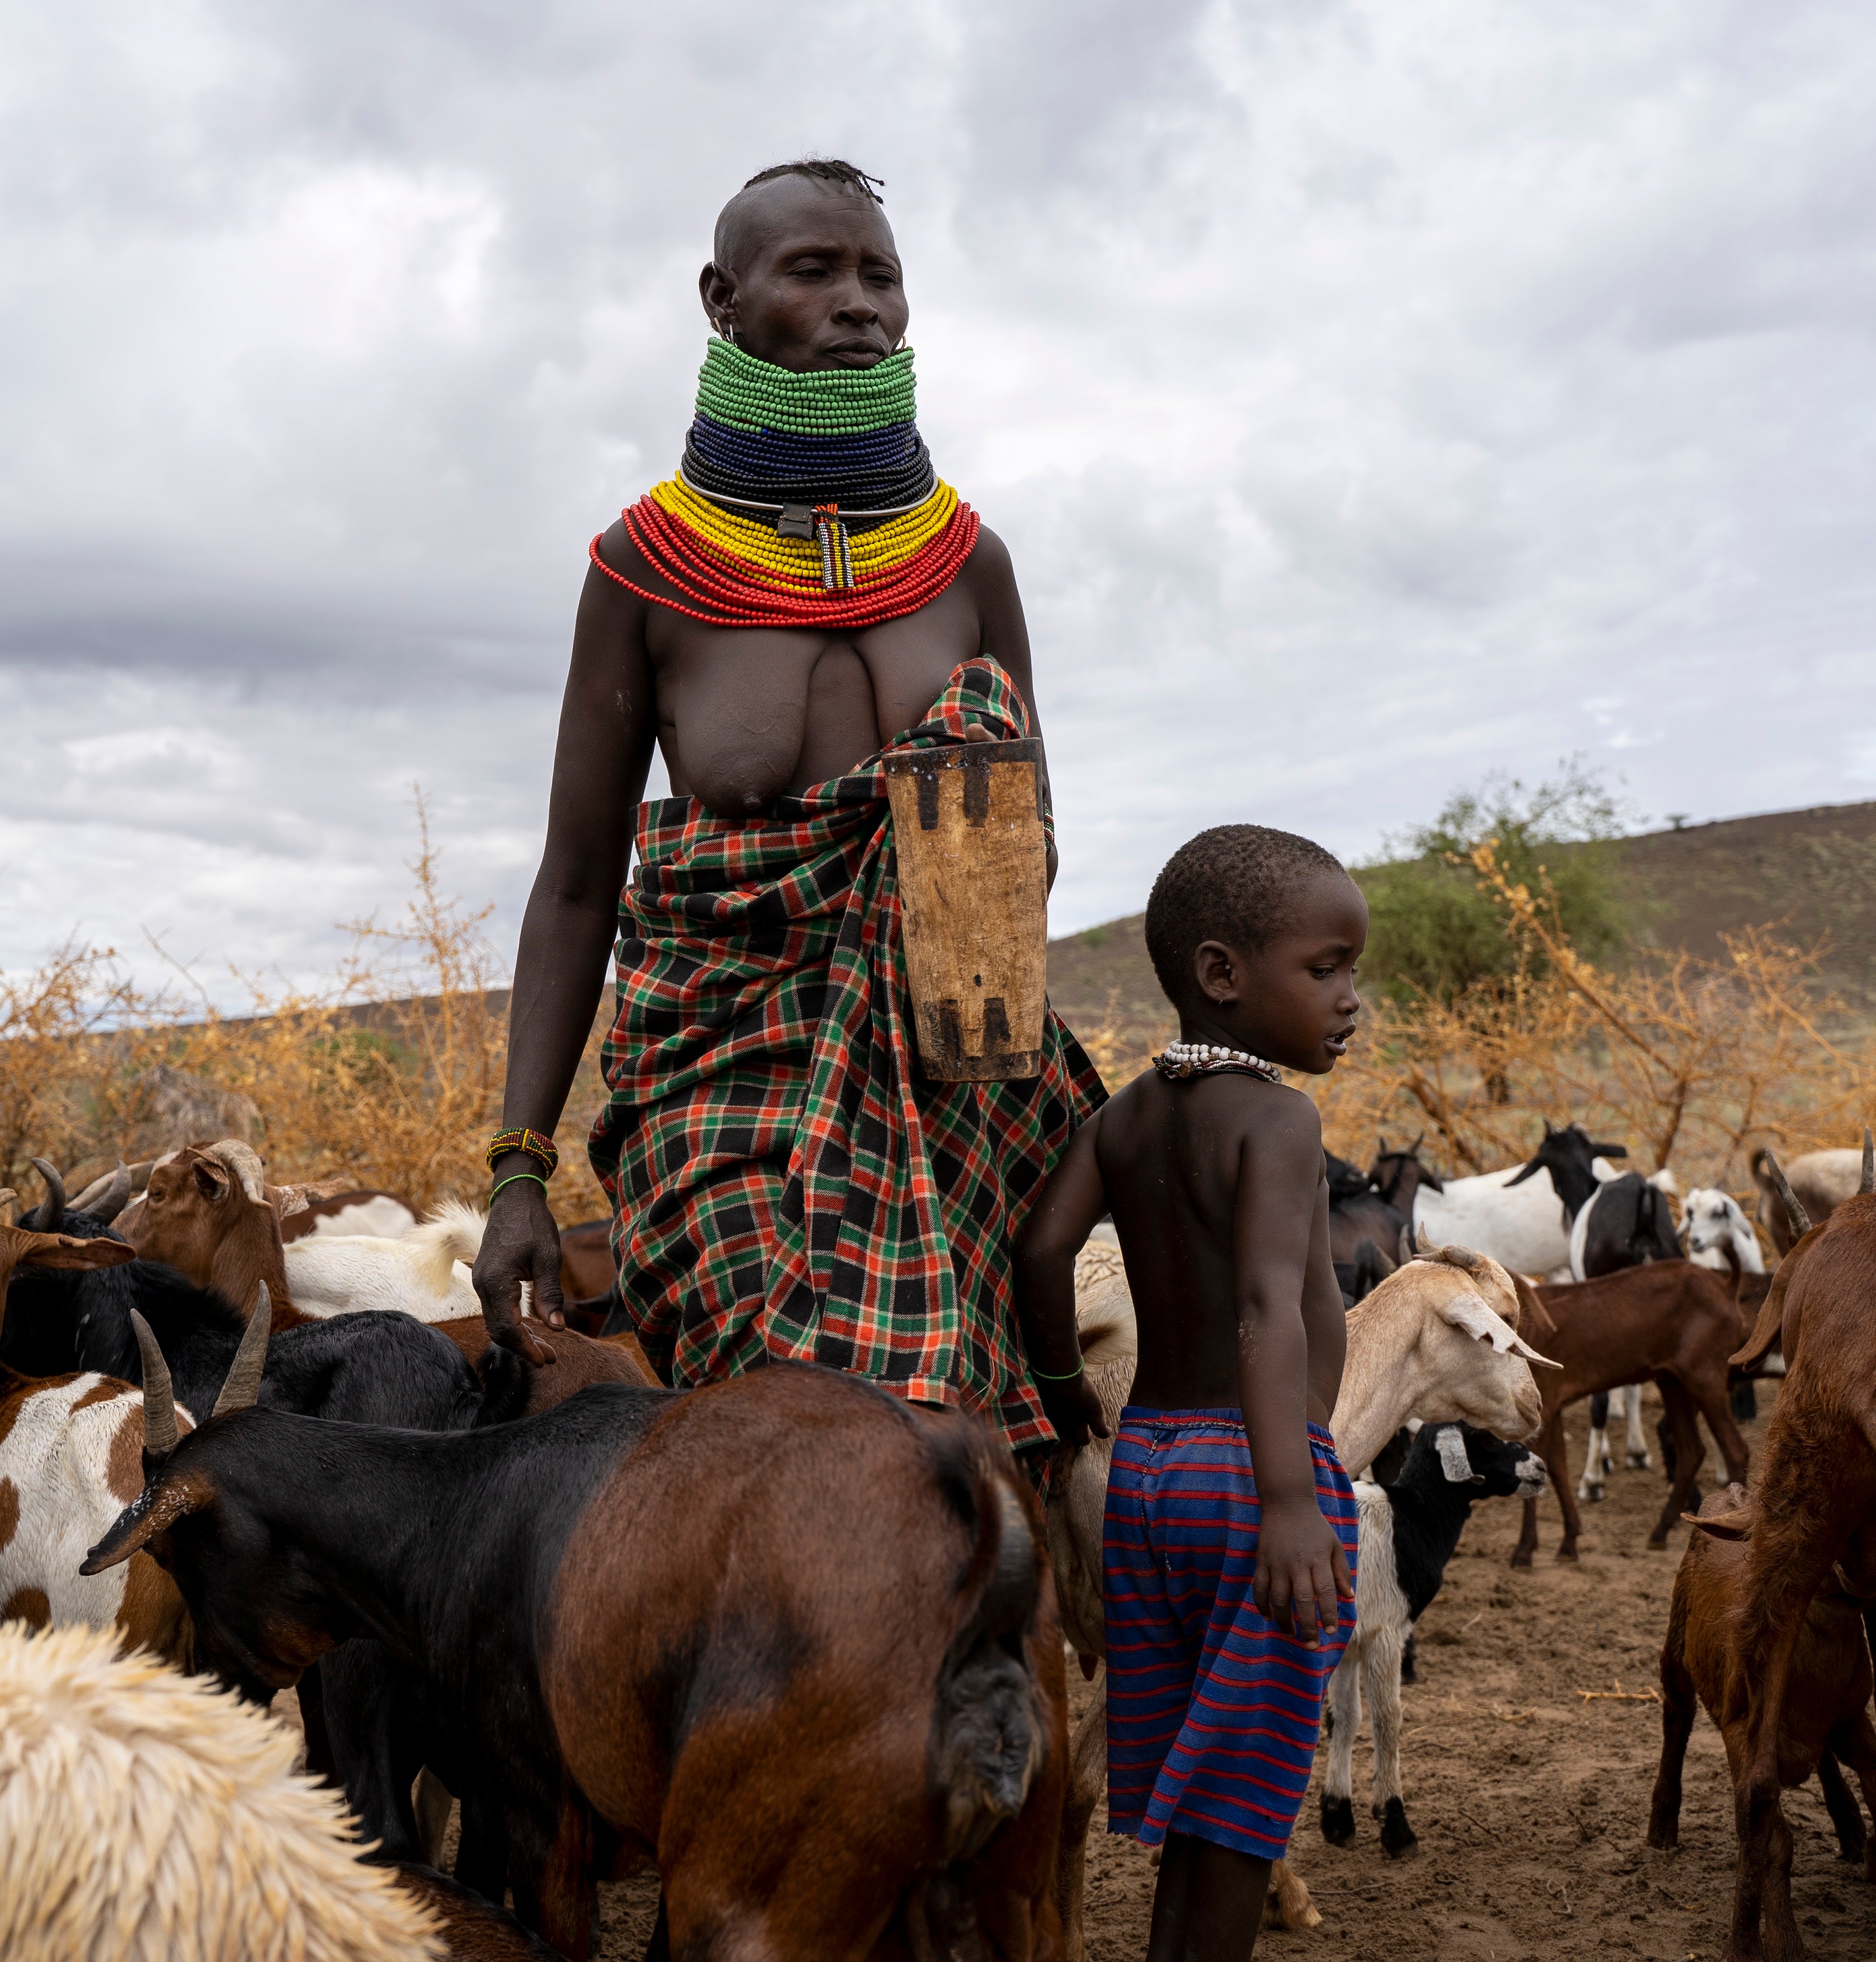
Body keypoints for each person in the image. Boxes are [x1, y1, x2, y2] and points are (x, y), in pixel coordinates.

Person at [468, 160, 1104, 1454]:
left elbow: (1028, 843)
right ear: (723, 297)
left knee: (987, 1449)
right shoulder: (642, 569)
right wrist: (519, 1167)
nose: (859, 302)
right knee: (788, 1433)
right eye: (814, 270)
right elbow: (579, 881)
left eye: (881, 275)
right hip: (722, 1081)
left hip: (957, 1094)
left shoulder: (970, 563)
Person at [1008, 824, 1370, 1962]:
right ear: (1222, 975)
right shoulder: (1278, 1118)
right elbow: (1269, 1309)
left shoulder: (1124, 1113)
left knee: (1204, 1808)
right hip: (1254, 1476)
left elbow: (1039, 1254)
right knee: (1238, 1815)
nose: (1350, 998)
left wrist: (1067, 1393)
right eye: (1326, 969)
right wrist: (1290, 1497)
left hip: (1149, 1471)